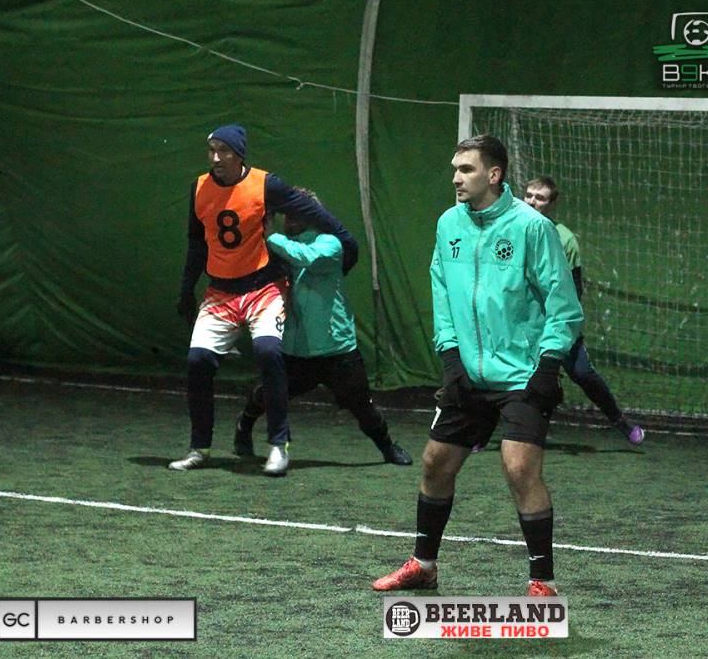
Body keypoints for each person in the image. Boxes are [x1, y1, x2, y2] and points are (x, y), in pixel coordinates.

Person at [372, 135, 583, 596]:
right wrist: (451, 357)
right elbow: (442, 292)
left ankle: (542, 582)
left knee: (519, 467)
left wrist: (548, 366)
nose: (455, 178)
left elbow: (564, 306)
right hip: (467, 374)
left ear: (494, 174)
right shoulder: (449, 223)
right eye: (455, 168)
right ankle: (424, 565)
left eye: (466, 169)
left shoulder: (532, 228)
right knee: (435, 463)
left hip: (523, 374)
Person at [172, 124, 358, 476]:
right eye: (211, 150)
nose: (216, 158)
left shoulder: (265, 184)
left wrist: (347, 241)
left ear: (239, 154)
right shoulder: (199, 188)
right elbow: (196, 244)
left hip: (263, 288)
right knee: (197, 362)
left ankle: (278, 445)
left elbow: (314, 213)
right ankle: (200, 448)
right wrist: (186, 290)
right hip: (220, 292)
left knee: (269, 353)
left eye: (224, 150)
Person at [231, 190, 412, 469]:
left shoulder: (330, 243)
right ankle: (243, 427)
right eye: (287, 214)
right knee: (270, 393)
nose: (290, 219)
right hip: (296, 348)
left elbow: (306, 257)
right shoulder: (277, 247)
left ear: (313, 216)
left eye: (297, 213)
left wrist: (271, 237)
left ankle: (388, 448)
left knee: (362, 406)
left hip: (336, 349)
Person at [523, 176, 644, 445]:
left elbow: (573, 289)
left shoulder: (565, 239)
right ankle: (478, 433)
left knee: (581, 372)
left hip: (556, 322)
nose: (532, 202)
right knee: (503, 375)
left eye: (540, 198)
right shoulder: (511, 230)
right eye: (528, 195)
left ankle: (619, 421)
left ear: (553, 203)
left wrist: (561, 325)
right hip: (522, 322)